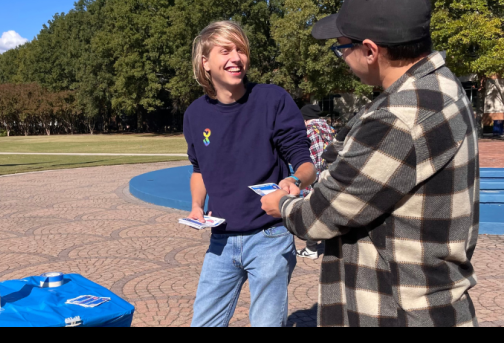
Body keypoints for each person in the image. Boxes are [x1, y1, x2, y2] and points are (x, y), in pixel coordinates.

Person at [261, 0, 480, 327]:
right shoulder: (443, 85)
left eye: (342, 49)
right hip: (434, 300)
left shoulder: (398, 119)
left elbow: (318, 218)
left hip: (396, 310)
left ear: (370, 50)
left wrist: (283, 203)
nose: (343, 59)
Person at [184, 21, 316, 327]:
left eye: (241, 49)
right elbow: (199, 169)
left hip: (270, 237)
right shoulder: (195, 114)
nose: (236, 57)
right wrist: (195, 207)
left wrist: (295, 181)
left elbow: (306, 164)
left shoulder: (272, 99)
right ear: (205, 62)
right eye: (225, 50)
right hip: (220, 240)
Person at [296, 104, 336, 259]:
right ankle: (328, 244)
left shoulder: (311, 131)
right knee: (326, 211)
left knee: (311, 212)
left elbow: (317, 157)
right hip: (331, 176)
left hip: (317, 178)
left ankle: (311, 249)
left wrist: (310, 180)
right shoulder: (328, 128)